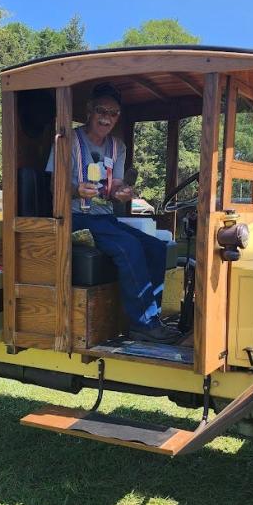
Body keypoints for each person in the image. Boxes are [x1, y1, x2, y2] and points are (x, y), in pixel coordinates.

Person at [45, 83, 178, 343]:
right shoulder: (68, 141)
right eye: (101, 110)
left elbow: (114, 184)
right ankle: (144, 324)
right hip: (74, 218)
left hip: (104, 218)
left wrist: (122, 192)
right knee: (129, 246)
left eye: (113, 113)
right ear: (89, 111)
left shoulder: (118, 147)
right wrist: (75, 190)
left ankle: (148, 317)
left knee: (157, 247)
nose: (107, 117)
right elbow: (54, 186)